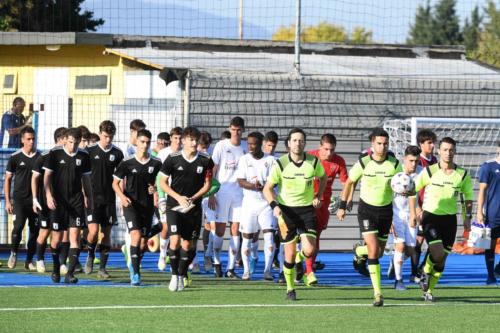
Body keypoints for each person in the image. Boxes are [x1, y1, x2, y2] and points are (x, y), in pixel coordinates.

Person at [337, 128, 402, 306]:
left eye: (385, 144)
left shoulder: (394, 164)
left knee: (379, 253)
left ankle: (359, 251)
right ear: (372, 144)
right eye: (379, 143)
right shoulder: (364, 162)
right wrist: (342, 206)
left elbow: (401, 183)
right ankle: (378, 294)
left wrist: (406, 189)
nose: (382, 147)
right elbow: (350, 182)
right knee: (373, 250)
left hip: (386, 211)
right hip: (367, 210)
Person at [263, 127, 326, 301]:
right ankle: (290, 289)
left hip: (306, 210)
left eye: (301, 140)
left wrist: (318, 196)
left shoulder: (313, 162)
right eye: (295, 140)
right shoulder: (281, 163)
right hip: (286, 212)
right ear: (289, 143)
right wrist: (274, 205)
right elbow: (267, 189)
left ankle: (300, 260)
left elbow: (324, 177)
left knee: (310, 249)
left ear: (304, 143)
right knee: (288, 255)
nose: (298, 143)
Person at [410, 137, 473, 302]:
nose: (448, 153)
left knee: (442, 260)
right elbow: (412, 190)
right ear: (439, 151)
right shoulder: (429, 171)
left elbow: (467, 198)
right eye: (445, 149)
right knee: (437, 253)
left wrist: (467, 218)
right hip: (430, 217)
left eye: (451, 150)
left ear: (455, 151)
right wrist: (414, 211)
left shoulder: (462, 174)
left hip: (450, 221)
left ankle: (429, 290)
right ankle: (424, 270)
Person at [158, 126, 214, 291]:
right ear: (183, 141)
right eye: (191, 139)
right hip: (174, 206)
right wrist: (179, 198)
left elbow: (208, 184)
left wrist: (193, 199)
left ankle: (182, 274)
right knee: (174, 239)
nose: (194, 143)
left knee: (188, 245)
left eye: (196, 140)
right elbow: (162, 182)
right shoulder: (172, 158)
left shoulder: (205, 160)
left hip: (194, 208)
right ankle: (174, 275)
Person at [43, 128, 93, 284]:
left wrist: (88, 197)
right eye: (70, 142)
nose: (73, 145)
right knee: (56, 238)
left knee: (74, 237)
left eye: (76, 142)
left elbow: (86, 180)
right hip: (59, 201)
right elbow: (47, 177)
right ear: (65, 140)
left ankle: (69, 274)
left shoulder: (84, 156)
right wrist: (48, 195)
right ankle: (56, 267)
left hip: (76, 201)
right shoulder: (55, 154)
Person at [113, 129, 162, 286]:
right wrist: (122, 197)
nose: (145, 145)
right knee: (135, 235)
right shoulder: (127, 162)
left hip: (147, 206)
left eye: (147, 142)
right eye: (142, 142)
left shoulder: (156, 163)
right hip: (131, 205)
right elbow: (115, 183)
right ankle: (135, 273)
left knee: (143, 242)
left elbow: (159, 182)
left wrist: (154, 189)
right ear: (137, 143)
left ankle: (132, 257)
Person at [304, 133, 348, 286]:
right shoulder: (309, 158)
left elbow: (346, 185)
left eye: (332, 150)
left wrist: (344, 203)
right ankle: (307, 270)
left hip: (323, 204)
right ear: (319, 146)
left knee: (316, 237)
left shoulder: (339, 162)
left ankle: (306, 268)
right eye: (326, 149)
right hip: (305, 203)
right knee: (303, 236)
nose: (329, 153)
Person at [209, 117, 247, 278]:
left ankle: (231, 268)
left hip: (240, 194)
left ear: (243, 130)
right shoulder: (221, 145)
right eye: (233, 129)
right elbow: (212, 169)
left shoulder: (246, 147)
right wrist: (211, 192)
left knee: (235, 229)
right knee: (219, 230)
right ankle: (216, 260)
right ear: (229, 129)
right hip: (222, 192)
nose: (236, 132)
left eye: (239, 129)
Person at [85, 121, 124, 278]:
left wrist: (122, 196)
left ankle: (102, 268)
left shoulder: (118, 153)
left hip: (109, 199)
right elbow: (83, 176)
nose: (108, 140)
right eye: (106, 136)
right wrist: (84, 194)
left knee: (106, 233)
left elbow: (121, 177)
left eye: (111, 136)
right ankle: (89, 254)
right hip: (93, 198)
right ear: (100, 133)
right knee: (93, 231)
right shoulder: (89, 151)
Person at [237, 131, 276, 281]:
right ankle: (246, 271)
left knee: (269, 238)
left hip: (267, 204)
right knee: (246, 238)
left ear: (261, 144)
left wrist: (266, 185)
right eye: (249, 143)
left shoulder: (272, 160)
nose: (251, 146)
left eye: (254, 144)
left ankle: (267, 271)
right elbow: (240, 181)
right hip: (249, 204)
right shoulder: (244, 160)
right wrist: (254, 186)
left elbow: (276, 181)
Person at [4, 126, 40, 270]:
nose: (31, 142)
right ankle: (13, 253)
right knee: (18, 227)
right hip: (19, 200)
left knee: (35, 230)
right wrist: (8, 200)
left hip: (35, 201)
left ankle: (29, 260)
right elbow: (7, 179)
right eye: (28, 139)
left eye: (33, 139)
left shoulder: (40, 157)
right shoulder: (15, 157)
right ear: (22, 140)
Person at [32, 127, 67, 273]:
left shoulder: (69, 156)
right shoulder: (45, 156)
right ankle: (39, 259)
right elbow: (34, 178)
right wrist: (35, 199)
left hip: (63, 202)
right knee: (44, 231)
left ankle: (62, 263)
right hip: (45, 202)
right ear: (60, 139)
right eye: (67, 139)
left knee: (63, 233)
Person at [390, 145, 421, 290]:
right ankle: (398, 281)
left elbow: (416, 194)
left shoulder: (419, 174)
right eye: (411, 161)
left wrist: (415, 213)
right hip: (396, 214)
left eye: (416, 161)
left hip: (410, 215)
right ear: (404, 159)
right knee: (400, 246)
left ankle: (395, 260)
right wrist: (389, 216)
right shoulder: (395, 172)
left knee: (410, 250)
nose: (413, 164)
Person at [412, 129, 438, 282]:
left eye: (433, 142)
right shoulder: (416, 161)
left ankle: (421, 267)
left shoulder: (435, 161)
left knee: (434, 240)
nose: (432, 145)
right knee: (419, 240)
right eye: (429, 143)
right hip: (420, 207)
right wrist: (417, 207)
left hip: (433, 206)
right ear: (421, 144)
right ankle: (414, 272)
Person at [156, 127, 183, 271]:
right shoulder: (163, 154)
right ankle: (162, 254)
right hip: (166, 195)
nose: (178, 141)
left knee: (183, 229)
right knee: (166, 227)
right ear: (171, 139)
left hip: (183, 197)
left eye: (180, 138)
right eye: (175, 138)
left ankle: (189, 259)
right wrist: (159, 196)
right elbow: (158, 177)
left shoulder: (186, 153)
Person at [476, 142, 500, 285]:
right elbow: (482, 191)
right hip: (493, 213)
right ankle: (490, 276)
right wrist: (479, 212)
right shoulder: (488, 166)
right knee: (490, 245)